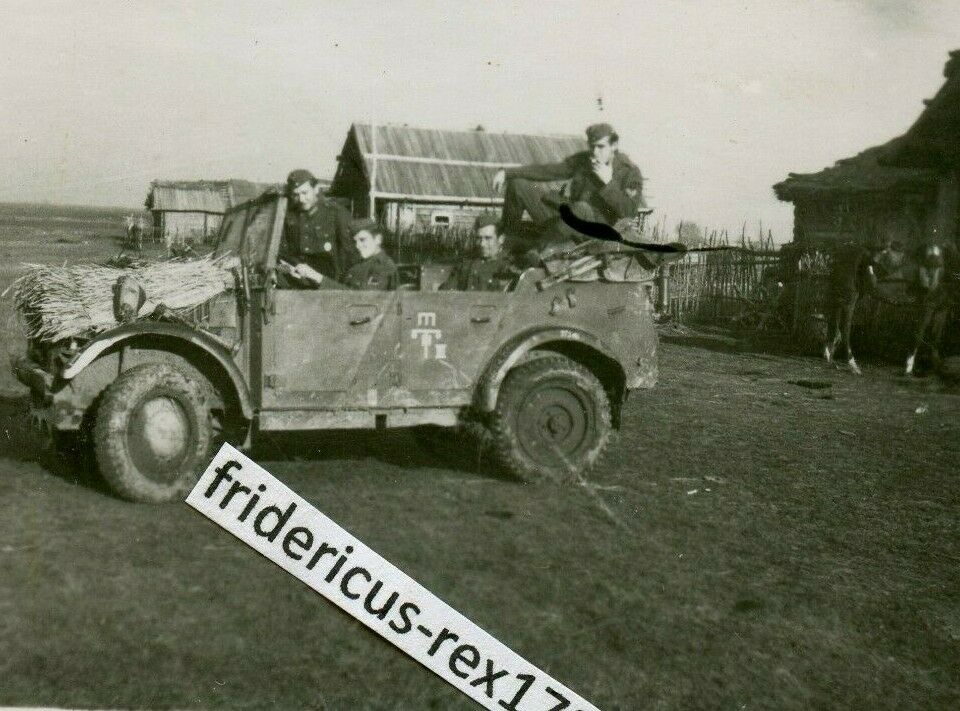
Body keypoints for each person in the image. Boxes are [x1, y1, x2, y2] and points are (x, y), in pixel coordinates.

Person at [492, 123, 645, 234]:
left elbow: (629, 212)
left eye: (600, 147)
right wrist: (508, 173)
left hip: (595, 233)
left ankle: (541, 249)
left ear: (614, 145)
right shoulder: (583, 161)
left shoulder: (629, 172)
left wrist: (608, 183)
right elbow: (549, 171)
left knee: (582, 208)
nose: (594, 152)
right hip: (566, 222)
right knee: (518, 185)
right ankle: (507, 240)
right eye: (591, 147)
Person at [280, 169, 357, 282]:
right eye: (296, 195)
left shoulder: (336, 213)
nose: (301, 199)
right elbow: (284, 251)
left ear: (316, 189)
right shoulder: (289, 216)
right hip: (297, 282)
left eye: (305, 193)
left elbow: (349, 254)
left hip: (327, 285)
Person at [441, 213, 518, 291]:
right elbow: (446, 291)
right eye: (478, 238)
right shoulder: (466, 261)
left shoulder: (509, 266)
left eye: (488, 238)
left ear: (501, 239)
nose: (482, 244)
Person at [343, 218, 398, 290]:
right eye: (355, 241)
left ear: (378, 239)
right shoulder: (359, 263)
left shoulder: (384, 266)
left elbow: (367, 298)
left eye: (362, 240)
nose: (357, 245)